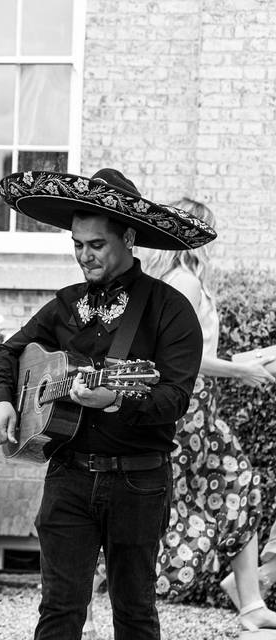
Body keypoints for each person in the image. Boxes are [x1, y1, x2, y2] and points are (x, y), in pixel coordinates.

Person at [0, 168, 216, 640]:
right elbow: (8, 352)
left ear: (128, 237)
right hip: (68, 474)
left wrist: (118, 400)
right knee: (58, 610)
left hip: (137, 478)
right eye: (77, 244)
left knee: (134, 613)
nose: (84, 256)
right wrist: (3, 401)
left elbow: (173, 397)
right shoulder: (65, 305)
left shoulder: (169, 309)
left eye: (96, 245)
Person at [139, 198, 276, 636]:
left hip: (197, 409)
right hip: (188, 412)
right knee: (161, 509)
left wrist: (245, 360)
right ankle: (80, 598)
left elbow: (199, 353)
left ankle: (251, 601)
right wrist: (241, 370)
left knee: (237, 486)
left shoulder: (177, 280)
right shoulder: (185, 284)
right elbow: (180, 358)